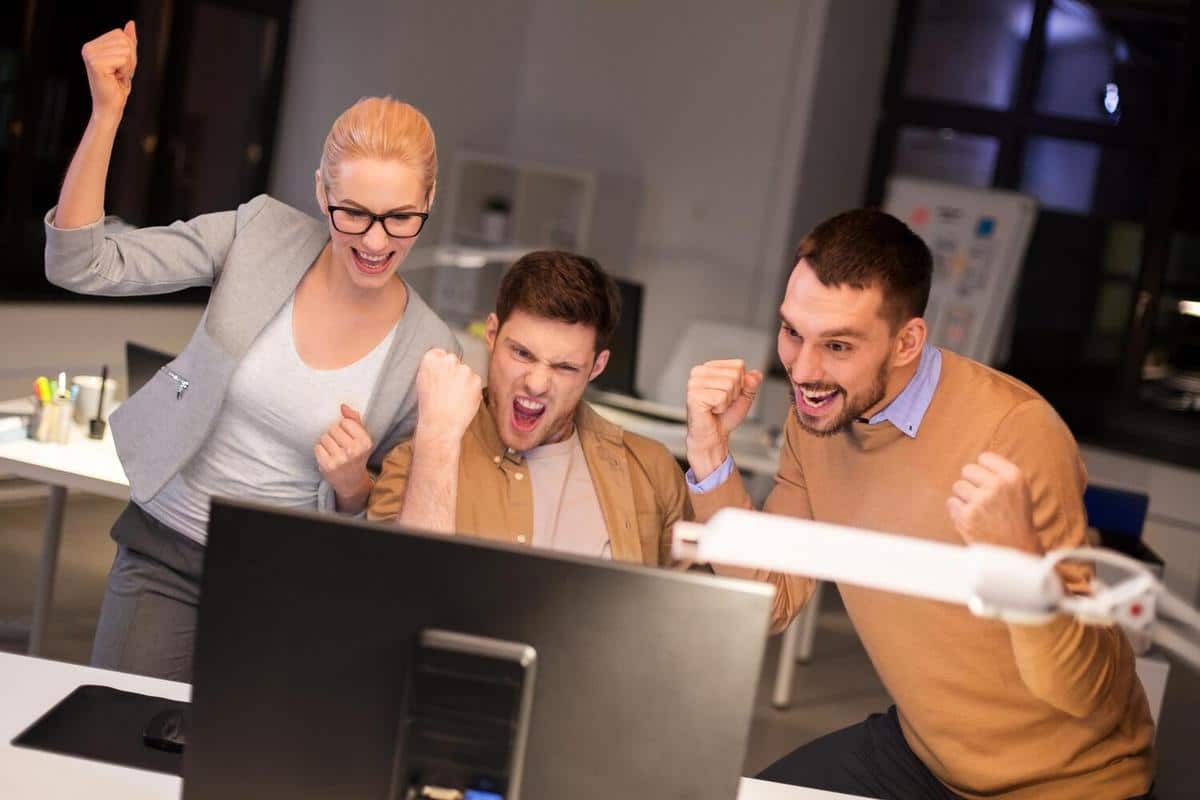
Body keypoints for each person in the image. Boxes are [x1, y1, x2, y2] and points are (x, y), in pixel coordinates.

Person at [684, 209, 1155, 799]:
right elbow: (769, 601)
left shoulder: (1015, 431)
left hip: (1068, 783)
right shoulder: (818, 417)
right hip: (926, 756)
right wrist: (709, 455)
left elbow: (1082, 690)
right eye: (792, 333)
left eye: (837, 345)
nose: (803, 371)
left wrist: (1020, 562)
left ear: (907, 341)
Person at [44, 21, 459, 681]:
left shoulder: (430, 352)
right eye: (353, 212)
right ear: (322, 192)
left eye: (401, 217)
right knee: (120, 731)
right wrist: (105, 116)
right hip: (165, 550)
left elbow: (399, 539)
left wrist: (354, 485)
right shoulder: (259, 234)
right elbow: (84, 264)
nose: (376, 241)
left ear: (429, 202)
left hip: (285, 588)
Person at [368, 250, 690, 566]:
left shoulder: (652, 471)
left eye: (564, 367)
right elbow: (397, 584)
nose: (536, 384)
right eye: (522, 354)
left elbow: (698, 595)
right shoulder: (419, 460)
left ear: (597, 366)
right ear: (492, 334)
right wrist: (438, 441)